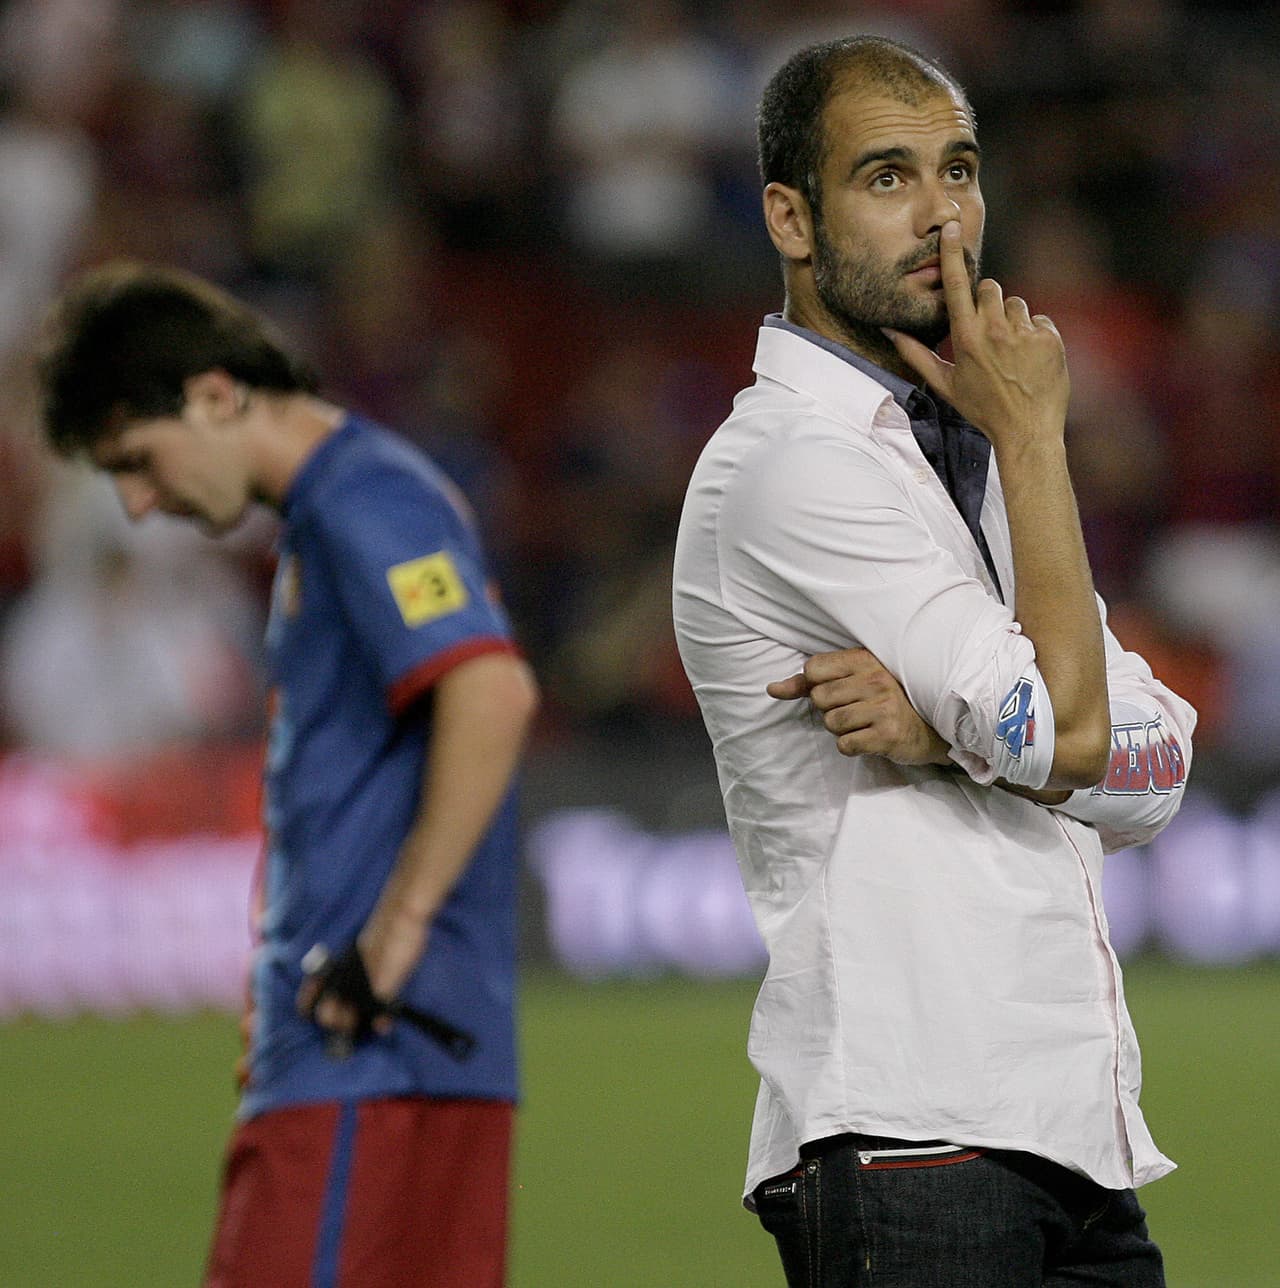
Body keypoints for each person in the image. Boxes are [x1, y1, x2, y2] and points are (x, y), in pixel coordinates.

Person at [671, 35, 1196, 1288]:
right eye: (887, 176)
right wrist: (1033, 442)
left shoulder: (947, 449)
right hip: (913, 1134)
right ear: (789, 218)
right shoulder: (797, 464)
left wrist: (944, 728)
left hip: (1063, 1133)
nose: (941, 214)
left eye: (957, 169)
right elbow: (1070, 739)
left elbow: (1157, 764)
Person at [35, 261, 540, 1287]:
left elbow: (489, 692)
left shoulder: (362, 494)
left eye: (137, 459)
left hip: (371, 1056)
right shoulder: (335, 512)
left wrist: (388, 933)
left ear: (216, 393)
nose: (136, 504)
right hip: (410, 1053)